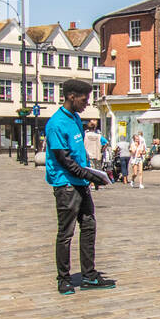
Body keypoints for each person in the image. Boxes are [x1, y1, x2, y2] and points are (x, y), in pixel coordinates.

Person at [45, 79, 116, 295]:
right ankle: (64, 278)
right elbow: (64, 160)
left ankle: (89, 275)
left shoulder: (76, 118)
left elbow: (79, 154)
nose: (87, 103)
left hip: (81, 182)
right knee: (66, 233)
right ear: (71, 96)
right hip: (65, 184)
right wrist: (93, 176)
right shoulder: (56, 124)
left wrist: (90, 176)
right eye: (84, 99)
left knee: (89, 227)